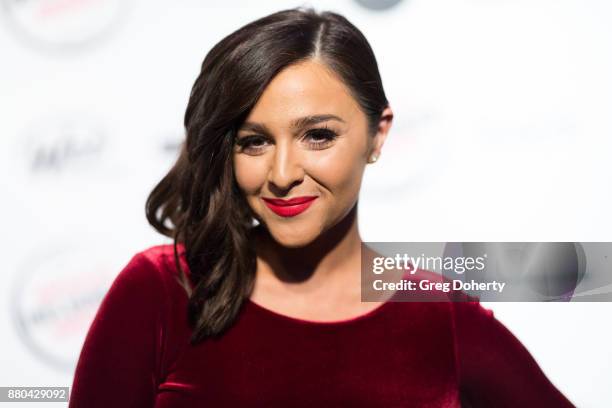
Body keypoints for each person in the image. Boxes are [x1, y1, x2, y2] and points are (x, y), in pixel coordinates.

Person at [69, 7, 574, 407]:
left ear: (378, 135)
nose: (283, 173)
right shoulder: (161, 291)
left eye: (317, 135)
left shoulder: (436, 313)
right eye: (254, 141)